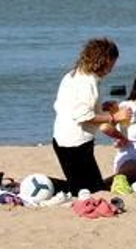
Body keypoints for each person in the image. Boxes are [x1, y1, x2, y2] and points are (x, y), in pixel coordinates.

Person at [51, 38, 123, 195]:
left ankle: (49, 186)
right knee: (89, 190)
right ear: (104, 60)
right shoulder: (88, 83)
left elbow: (70, 106)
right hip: (76, 145)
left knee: (83, 185)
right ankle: (45, 185)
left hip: (61, 139)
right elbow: (83, 116)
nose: (112, 69)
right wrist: (114, 117)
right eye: (112, 64)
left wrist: (101, 108)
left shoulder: (72, 75)